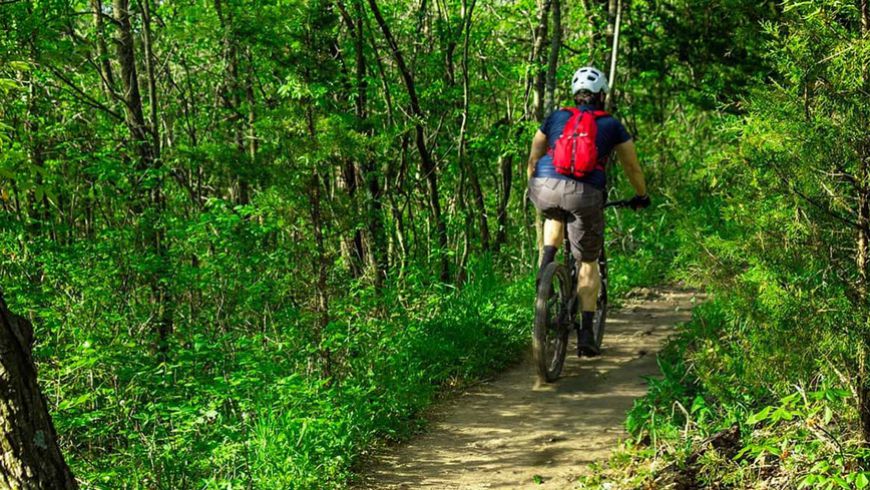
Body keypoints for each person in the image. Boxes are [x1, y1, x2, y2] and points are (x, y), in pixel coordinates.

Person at [526, 66, 649, 357]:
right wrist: (642, 195)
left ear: (574, 95)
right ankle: (585, 334)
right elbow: (632, 167)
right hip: (585, 193)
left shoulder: (556, 116)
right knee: (588, 262)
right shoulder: (611, 124)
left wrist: (535, 186)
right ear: (601, 95)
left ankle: (546, 266)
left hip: (543, 186)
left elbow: (533, 157)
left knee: (555, 212)